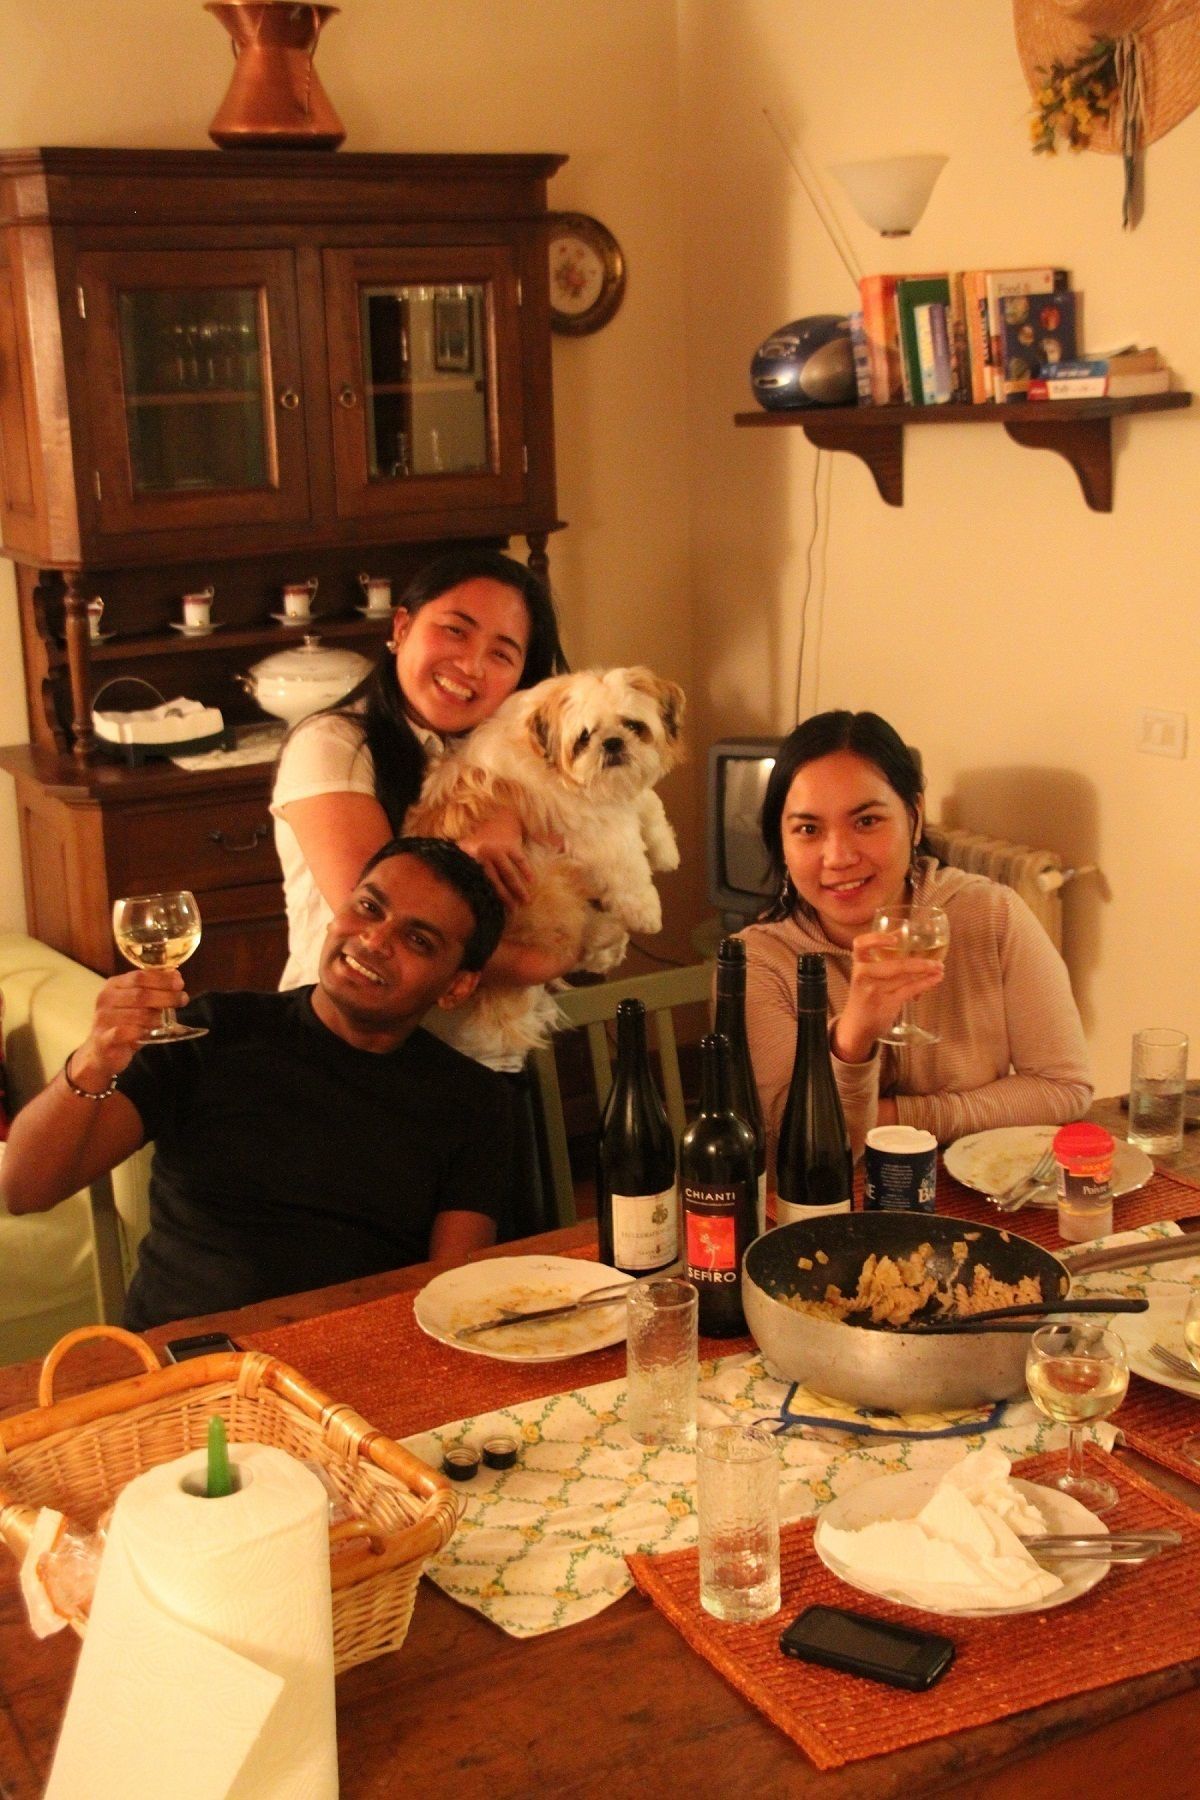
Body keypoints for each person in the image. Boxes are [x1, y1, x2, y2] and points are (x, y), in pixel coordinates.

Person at [1, 839, 517, 1331]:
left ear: (457, 986)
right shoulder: (213, 1033)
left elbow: (453, 1296)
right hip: (184, 1361)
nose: (375, 940)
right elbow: (24, 1189)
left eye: (418, 940)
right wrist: (94, 1058)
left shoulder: (474, 1101)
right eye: (368, 907)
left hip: (348, 1364)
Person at [740, 710, 1092, 1161]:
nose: (839, 856)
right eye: (808, 829)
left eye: (866, 821)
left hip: (979, 1186)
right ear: (782, 843)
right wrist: (853, 1037)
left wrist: (897, 1117)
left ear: (915, 817)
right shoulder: (757, 962)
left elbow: (1063, 1087)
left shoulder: (992, 915)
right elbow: (793, 1142)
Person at [270, 546, 573, 1061]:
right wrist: (543, 962)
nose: (471, 665)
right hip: (346, 1051)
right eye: (455, 630)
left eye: (501, 654)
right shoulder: (334, 744)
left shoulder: (522, 765)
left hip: (481, 1057)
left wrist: (504, 811)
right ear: (402, 627)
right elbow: (379, 928)